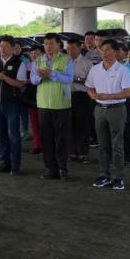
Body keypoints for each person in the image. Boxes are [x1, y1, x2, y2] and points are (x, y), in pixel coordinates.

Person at [86, 40, 130, 191]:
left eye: (107, 50)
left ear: (115, 51)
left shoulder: (122, 70)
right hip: (99, 109)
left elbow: (129, 92)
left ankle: (118, 177)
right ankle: (104, 175)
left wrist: (109, 96)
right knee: (103, 144)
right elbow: (89, 87)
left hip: (117, 109)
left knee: (117, 145)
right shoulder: (95, 69)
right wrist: (93, 95)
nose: (104, 53)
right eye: (102, 50)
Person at [30, 33, 73, 180]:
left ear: (59, 45)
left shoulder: (66, 59)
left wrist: (51, 74)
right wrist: (40, 76)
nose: (48, 46)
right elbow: (33, 80)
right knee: (46, 139)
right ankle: (51, 169)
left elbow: (68, 79)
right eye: (46, 44)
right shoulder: (38, 61)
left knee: (62, 139)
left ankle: (63, 169)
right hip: (43, 105)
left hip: (61, 105)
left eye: (51, 43)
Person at [0, 35, 27, 174]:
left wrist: (4, 77)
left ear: (12, 48)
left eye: (6, 46)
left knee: (13, 135)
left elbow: (20, 83)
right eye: (1, 47)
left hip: (12, 104)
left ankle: (16, 164)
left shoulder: (19, 63)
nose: (2, 49)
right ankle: (5, 162)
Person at [67, 39, 93, 164]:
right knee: (69, 124)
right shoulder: (65, 61)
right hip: (67, 96)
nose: (70, 51)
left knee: (82, 125)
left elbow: (90, 81)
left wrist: (75, 79)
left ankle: (83, 153)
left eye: (73, 48)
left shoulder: (87, 62)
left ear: (79, 48)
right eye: (68, 48)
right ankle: (72, 152)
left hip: (82, 96)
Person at [23, 46, 43, 154]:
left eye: (37, 53)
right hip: (31, 97)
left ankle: (46, 144)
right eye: (32, 54)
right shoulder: (27, 66)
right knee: (34, 123)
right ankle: (37, 145)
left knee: (44, 123)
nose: (34, 55)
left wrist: (29, 80)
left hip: (43, 97)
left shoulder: (45, 65)